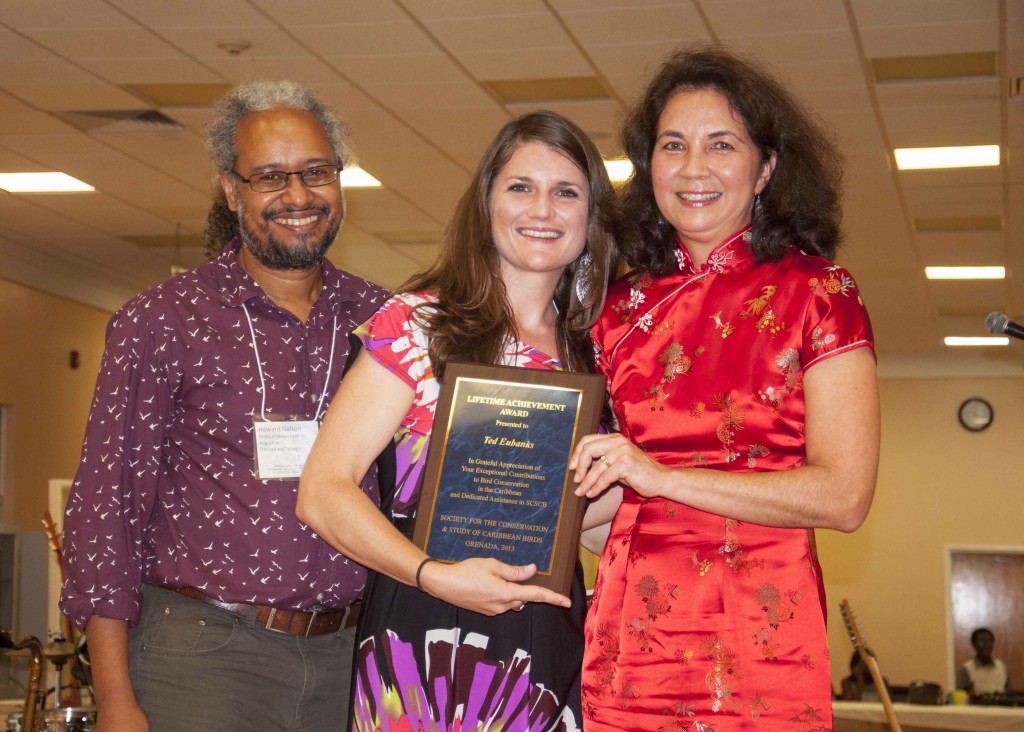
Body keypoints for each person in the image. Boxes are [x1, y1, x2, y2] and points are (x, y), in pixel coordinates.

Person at [59, 80, 388, 731]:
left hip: (352, 662)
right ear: (233, 192)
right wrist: (116, 698)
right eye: (270, 177)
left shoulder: (384, 321)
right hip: (203, 660)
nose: (297, 196)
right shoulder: (161, 321)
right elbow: (105, 511)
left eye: (315, 172)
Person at [570, 46, 879, 730]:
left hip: (762, 638)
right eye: (672, 145)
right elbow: (608, 499)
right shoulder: (615, 310)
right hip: (634, 636)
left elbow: (844, 496)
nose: (693, 168)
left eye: (722, 145)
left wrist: (662, 476)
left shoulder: (819, 294)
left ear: (766, 167)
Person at [297, 110, 620, 731]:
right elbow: (322, 491)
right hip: (421, 633)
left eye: (567, 192)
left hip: (547, 641)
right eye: (520, 187)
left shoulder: (602, 355)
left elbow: (584, 524)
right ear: (487, 204)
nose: (542, 209)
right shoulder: (417, 327)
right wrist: (432, 575)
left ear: (590, 216)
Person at [957, 627, 1011, 698]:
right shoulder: (966, 669)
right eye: (981, 641)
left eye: (989, 641)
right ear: (974, 645)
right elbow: (960, 697)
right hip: (975, 708)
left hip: (1001, 708)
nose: (986, 645)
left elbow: (1010, 694)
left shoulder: (1003, 667)